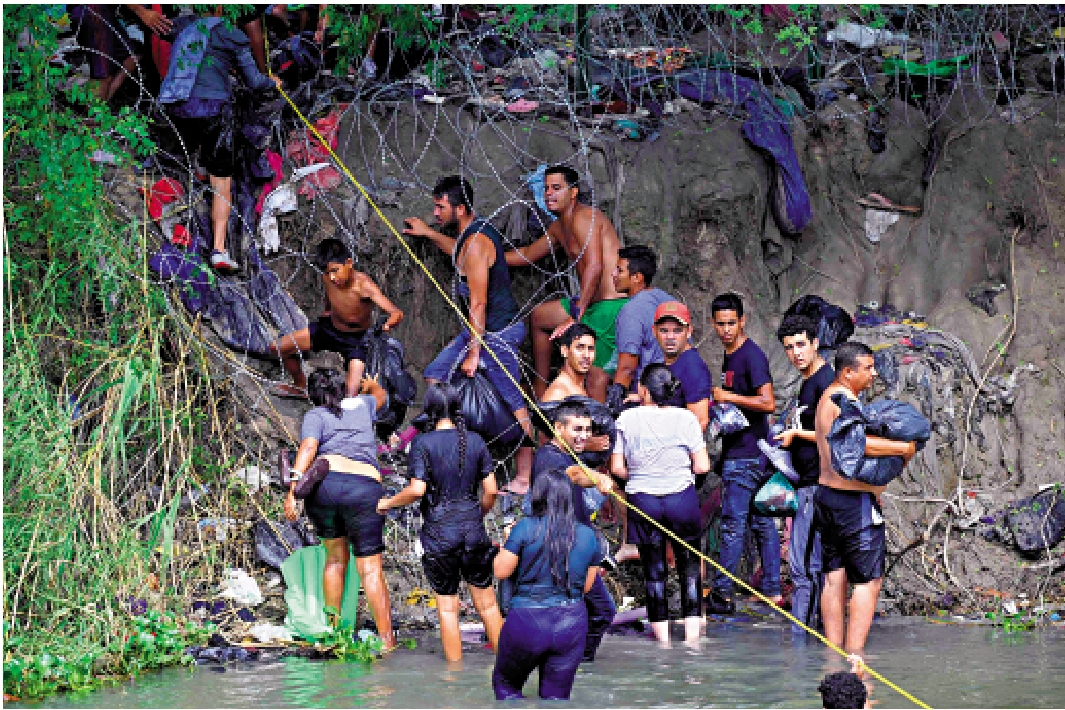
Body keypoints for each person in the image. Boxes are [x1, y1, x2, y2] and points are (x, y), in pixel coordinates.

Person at [403, 176, 533, 489]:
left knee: (514, 402)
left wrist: (474, 354)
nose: (436, 212)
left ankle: (525, 477)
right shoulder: (470, 234)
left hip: (498, 333)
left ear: (460, 209)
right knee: (436, 376)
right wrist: (429, 233)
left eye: (440, 207)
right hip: (478, 329)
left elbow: (478, 303)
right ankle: (450, 445)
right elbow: (458, 252)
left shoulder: (476, 244)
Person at [376, 384, 502, 662]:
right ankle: (509, 670)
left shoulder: (423, 443)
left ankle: (453, 678)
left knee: (448, 609)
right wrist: (477, 514)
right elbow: (492, 491)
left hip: (439, 535)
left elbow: (417, 490)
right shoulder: (476, 441)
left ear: (429, 410)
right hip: (473, 532)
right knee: (489, 606)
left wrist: (387, 503)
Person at [158, 7, 281, 273]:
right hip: (212, 108)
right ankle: (219, 250)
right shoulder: (231, 33)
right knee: (222, 181)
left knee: (195, 144)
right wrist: (273, 83)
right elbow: (254, 81)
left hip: (173, 106)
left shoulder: (184, 27)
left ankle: (199, 169)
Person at [814, 342, 916, 660]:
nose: (873, 374)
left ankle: (833, 657)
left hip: (826, 497)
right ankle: (855, 657)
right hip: (851, 501)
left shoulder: (827, 397)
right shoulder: (843, 399)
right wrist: (903, 449)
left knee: (834, 578)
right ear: (848, 372)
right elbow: (857, 444)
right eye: (868, 368)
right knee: (868, 581)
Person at [282, 368, 395, 650]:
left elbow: (308, 448)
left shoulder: (315, 415)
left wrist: (293, 491)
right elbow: (381, 396)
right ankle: (387, 641)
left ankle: (334, 634)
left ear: (313, 395)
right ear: (343, 390)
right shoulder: (362, 405)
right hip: (364, 488)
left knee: (334, 559)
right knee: (370, 569)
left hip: (326, 487)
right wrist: (370, 385)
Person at [504, 165, 627, 402]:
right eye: (546, 188)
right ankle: (541, 390)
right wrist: (490, 256)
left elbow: (594, 266)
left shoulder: (585, 217)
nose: (549, 193)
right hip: (588, 304)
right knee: (540, 316)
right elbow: (528, 254)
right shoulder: (560, 226)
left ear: (573, 192)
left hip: (610, 306)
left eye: (556, 188)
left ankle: (595, 420)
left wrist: (577, 314)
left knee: (595, 378)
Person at [610, 364, 710, 647]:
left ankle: (663, 645)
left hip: (643, 502)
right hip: (682, 500)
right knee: (690, 570)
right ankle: (692, 642)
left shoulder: (626, 419)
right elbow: (702, 466)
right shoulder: (687, 418)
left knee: (654, 574)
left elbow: (617, 468)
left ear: (643, 390)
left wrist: (641, 475)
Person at [492, 468, 603, 700]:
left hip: (527, 620)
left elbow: (501, 571)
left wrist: (509, 542)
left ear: (537, 496)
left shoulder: (525, 528)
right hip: (571, 624)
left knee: (507, 688)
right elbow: (586, 586)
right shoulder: (588, 535)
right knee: (556, 699)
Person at [522, 400, 616, 662]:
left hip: (574, 550)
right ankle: (572, 665)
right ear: (558, 428)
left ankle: (568, 665)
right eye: (577, 429)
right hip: (561, 552)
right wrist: (598, 478)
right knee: (601, 611)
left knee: (589, 613)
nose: (584, 435)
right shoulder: (549, 457)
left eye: (587, 429)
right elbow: (574, 474)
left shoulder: (567, 454)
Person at [707, 293, 781, 614]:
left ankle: (722, 593)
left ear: (742, 321)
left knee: (733, 524)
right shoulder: (731, 354)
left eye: (731, 323)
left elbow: (768, 402)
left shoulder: (751, 356)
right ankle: (772, 590)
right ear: (713, 324)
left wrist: (729, 397)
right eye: (720, 324)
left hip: (747, 455)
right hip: (748, 451)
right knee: (761, 522)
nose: (726, 330)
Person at [269, 239, 404, 399]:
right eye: (327, 273)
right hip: (330, 329)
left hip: (357, 340)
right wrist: (327, 310)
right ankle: (300, 386)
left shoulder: (364, 286)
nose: (332, 277)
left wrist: (388, 324)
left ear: (349, 263)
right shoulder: (328, 278)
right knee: (277, 347)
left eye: (335, 270)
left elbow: (396, 312)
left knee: (351, 395)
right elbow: (330, 295)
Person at [774, 314, 835, 628]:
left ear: (815, 344)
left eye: (801, 345)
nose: (795, 353)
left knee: (805, 567)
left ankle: (804, 638)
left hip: (817, 485)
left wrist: (797, 434)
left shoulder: (825, 382)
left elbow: (836, 432)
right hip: (806, 484)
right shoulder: (808, 382)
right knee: (806, 565)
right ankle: (809, 633)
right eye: (789, 347)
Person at [606, 245, 676, 414]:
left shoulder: (632, 310)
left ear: (637, 277)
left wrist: (615, 403)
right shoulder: (669, 300)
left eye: (619, 270)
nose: (613, 274)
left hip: (648, 399)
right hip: (675, 391)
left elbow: (627, 367)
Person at [654, 301, 713, 433]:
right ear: (654, 331)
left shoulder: (692, 367)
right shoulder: (669, 362)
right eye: (664, 331)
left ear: (689, 331)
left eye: (677, 331)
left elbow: (700, 423)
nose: (670, 337)